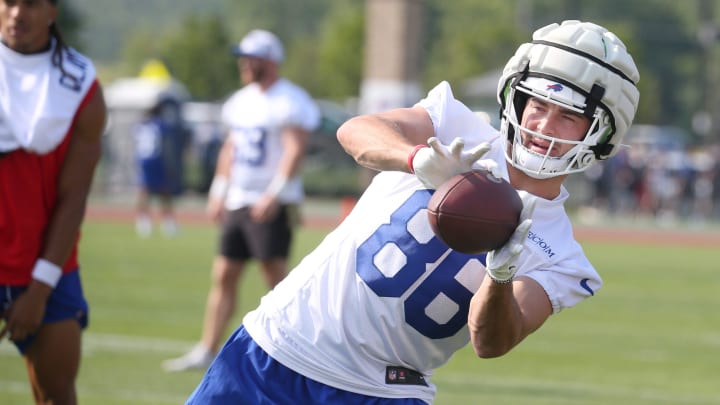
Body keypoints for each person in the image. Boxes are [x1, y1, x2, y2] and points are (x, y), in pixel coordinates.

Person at [186, 20, 640, 404]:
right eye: (537, 104)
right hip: (274, 346)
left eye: (567, 116)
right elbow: (356, 131)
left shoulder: (563, 257)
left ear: (600, 134)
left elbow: (493, 341)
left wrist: (500, 278)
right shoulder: (454, 123)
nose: (543, 125)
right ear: (515, 97)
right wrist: (417, 158)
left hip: (382, 391)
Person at [163, 29, 321, 372]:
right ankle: (207, 347)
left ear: (268, 61)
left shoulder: (290, 100)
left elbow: (295, 150)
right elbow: (231, 147)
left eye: (249, 58)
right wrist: (219, 189)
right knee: (224, 273)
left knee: (277, 279)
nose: (243, 64)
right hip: (239, 198)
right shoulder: (241, 100)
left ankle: (305, 352)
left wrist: (273, 194)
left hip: (270, 202)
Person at [0, 0, 107, 404]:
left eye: (30, 3)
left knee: (57, 396)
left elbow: (74, 196)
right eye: (8, 2)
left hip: (49, 269)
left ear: (52, 12)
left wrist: (40, 289)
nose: (16, 13)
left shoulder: (80, 85)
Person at [134, 96, 187, 237]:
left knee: (144, 190)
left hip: (143, 161)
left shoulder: (141, 125)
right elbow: (168, 135)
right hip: (156, 160)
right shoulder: (159, 124)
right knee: (163, 190)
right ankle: (167, 222)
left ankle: (144, 221)